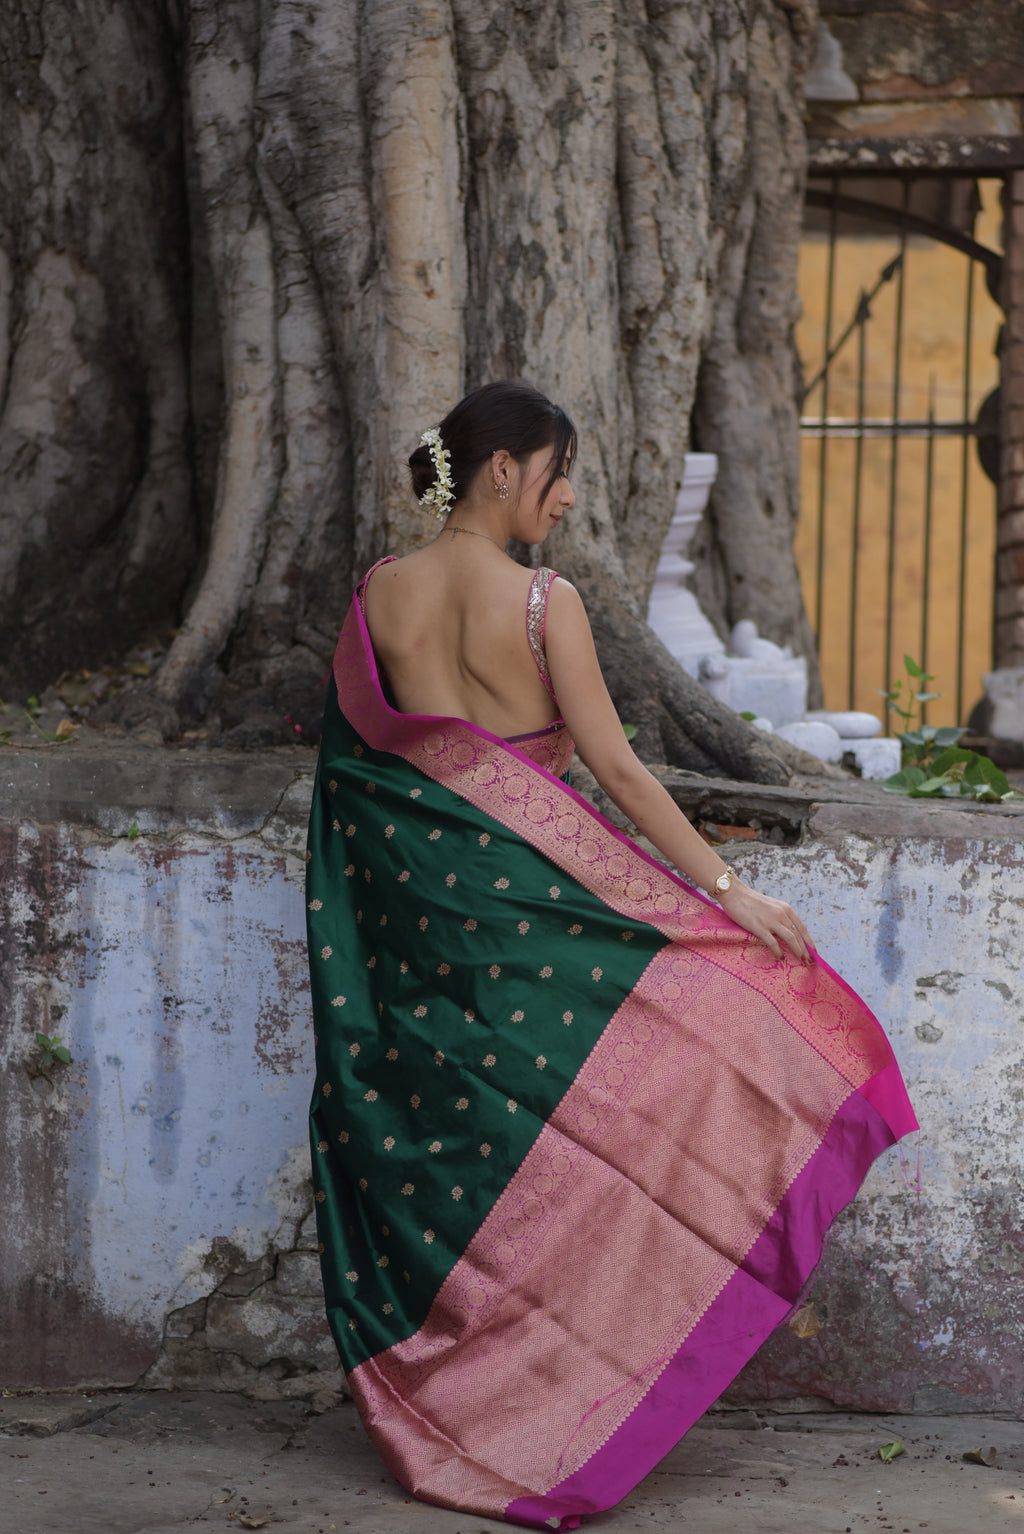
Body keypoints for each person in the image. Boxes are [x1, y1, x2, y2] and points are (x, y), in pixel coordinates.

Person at [305, 381, 916, 1531]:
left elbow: (355, 802)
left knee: (479, 1172)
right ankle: (549, 1409)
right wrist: (729, 894)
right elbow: (622, 776)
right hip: (542, 942)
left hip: (431, 954)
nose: (570, 496)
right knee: (586, 1157)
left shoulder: (377, 596)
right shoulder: (546, 604)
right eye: (558, 471)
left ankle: (468, 1406)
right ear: (500, 469)